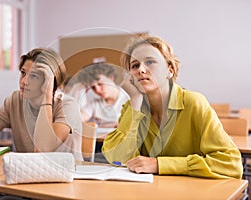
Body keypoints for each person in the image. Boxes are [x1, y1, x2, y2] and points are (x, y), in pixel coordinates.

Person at [102, 34, 243, 179]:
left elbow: (231, 164)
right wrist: (135, 100)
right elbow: (117, 158)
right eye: (135, 65)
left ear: (170, 71)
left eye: (150, 62)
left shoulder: (193, 103)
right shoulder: (132, 106)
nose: (141, 70)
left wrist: (160, 165)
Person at [0, 47, 83, 161]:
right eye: (23, 73)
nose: (23, 82)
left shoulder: (67, 105)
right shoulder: (14, 100)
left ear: (50, 81)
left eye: (34, 76)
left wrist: (47, 96)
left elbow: (42, 149)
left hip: (67, 178)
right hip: (27, 174)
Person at [74, 62, 129, 128]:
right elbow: (75, 121)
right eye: (93, 87)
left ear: (110, 78)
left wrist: (98, 126)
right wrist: (77, 89)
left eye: (100, 84)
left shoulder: (129, 98)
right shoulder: (95, 104)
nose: (97, 90)